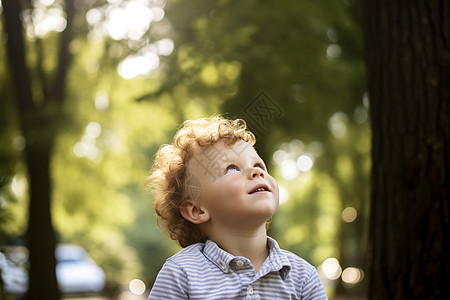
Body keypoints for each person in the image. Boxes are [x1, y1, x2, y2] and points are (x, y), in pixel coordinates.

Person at [146, 116, 328, 299]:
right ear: (197, 210)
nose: (256, 172)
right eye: (231, 169)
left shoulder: (303, 278)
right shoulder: (181, 274)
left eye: (259, 165)